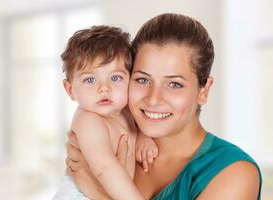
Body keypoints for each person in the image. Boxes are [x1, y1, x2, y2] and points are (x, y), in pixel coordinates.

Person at [65, 13, 262, 199]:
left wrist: (101, 196)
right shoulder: (113, 139)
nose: (153, 99)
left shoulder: (233, 173)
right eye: (142, 80)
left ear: (204, 90)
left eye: (174, 84)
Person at [53, 26, 158, 200]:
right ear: (70, 89)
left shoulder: (127, 111)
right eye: (90, 79)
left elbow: (137, 127)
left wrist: (143, 137)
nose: (104, 88)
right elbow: (104, 168)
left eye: (115, 78)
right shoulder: (88, 119)